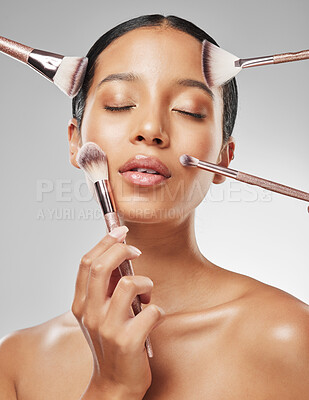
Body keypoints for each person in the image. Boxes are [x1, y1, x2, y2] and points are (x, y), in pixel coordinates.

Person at [0, 14, 308, 400]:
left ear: (224, 159)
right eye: (118, 104)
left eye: (189, 110)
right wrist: (111, 388)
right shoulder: (13, 364)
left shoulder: (291, 337)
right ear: (75, 142)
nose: (150, 129)